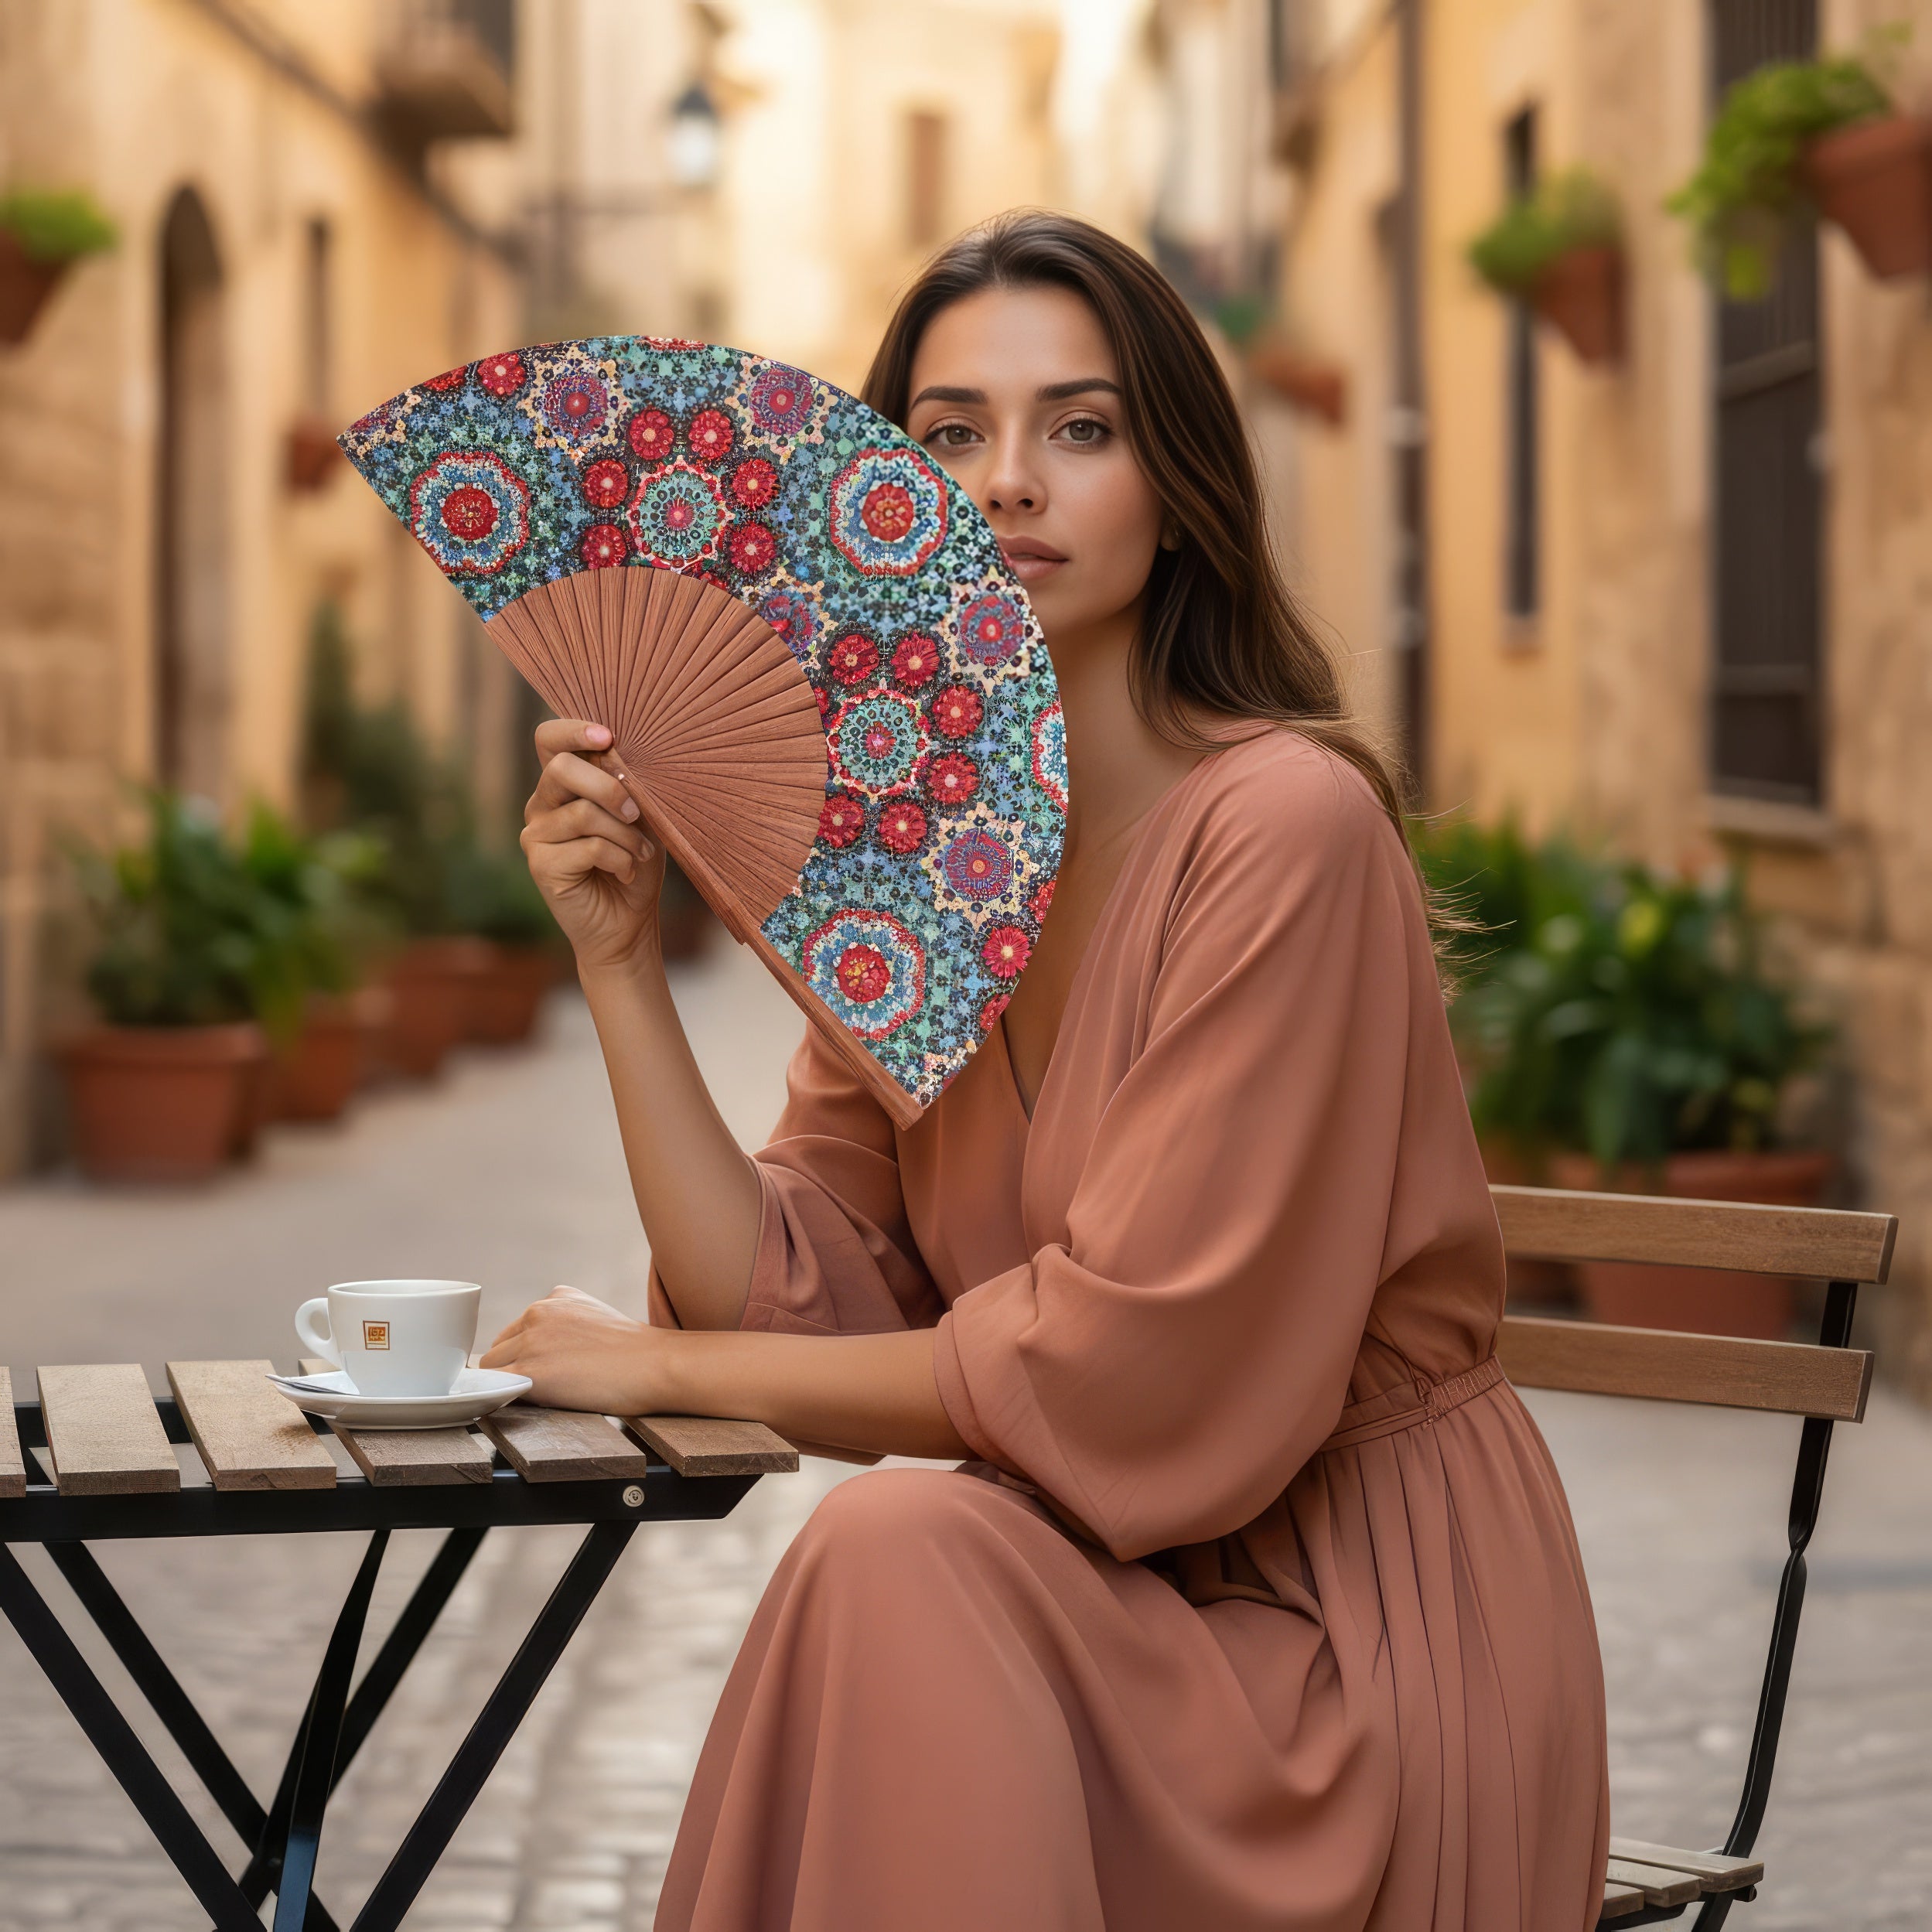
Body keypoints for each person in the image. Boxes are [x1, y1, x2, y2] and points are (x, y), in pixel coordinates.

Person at [482, 210, 1610, 1930]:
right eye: (947, 436)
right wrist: (621, 963)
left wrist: (645, 1362)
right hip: (1083, 1603)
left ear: (1177, 490)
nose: (1006, 482)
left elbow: (1120, 1371)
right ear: (879, 498)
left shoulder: (1284, 830)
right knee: (903, 1561)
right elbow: (795, 1299)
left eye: (1078, 429)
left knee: (900, 1554)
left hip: (1351, 1648)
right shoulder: (919, 870)